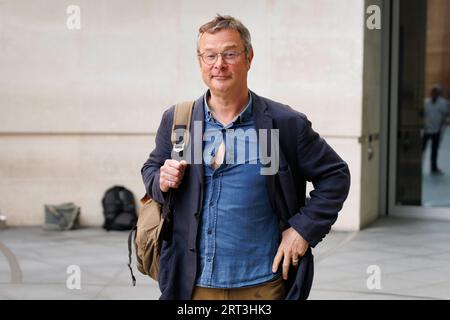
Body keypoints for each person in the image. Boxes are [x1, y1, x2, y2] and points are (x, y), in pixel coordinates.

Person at [141, 15, 351, 300]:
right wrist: (160, 180)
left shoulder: (281, 124)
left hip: (263, 286)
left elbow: (335, 175)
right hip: (192, 285)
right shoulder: (182, 121)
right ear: (200, 61)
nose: (219, 64)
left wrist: (302, 230)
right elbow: (152, 168)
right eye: (210, 55)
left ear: (249, 57)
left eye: (230, 54)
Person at [422, 85, 449, 175]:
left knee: (434, 150)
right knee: (422, 149)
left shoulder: (443, 103)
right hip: (426, 130)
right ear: (430, 93)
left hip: (437, 130)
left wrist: (443, 126)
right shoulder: (425, 103)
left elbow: (445, 115)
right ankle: (418, 166)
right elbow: (422, 114)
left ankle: (433, 168)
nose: (433, 94)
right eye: (432, 92)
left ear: (438, 94)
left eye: (435, 92)